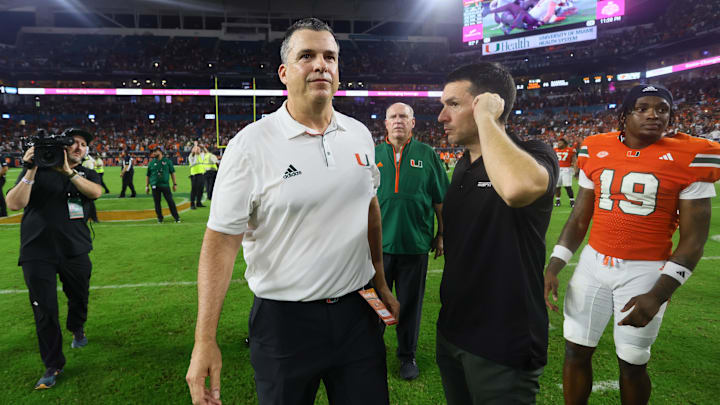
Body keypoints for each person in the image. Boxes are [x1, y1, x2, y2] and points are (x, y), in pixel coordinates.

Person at [185, 18, 400, 405]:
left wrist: (380, 281)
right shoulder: (250, 145)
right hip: (285, 322)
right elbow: (220, 242)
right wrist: (205, 339)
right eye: (307, 56)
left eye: (329, 57)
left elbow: (370, 208)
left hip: (358, 312)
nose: (321, 65)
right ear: (285, 73)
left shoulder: (359, 134)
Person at [544, 84, 720, 405]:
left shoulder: (691, 155)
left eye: (662, 109)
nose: (654, 114)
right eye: (643, 108)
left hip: (646, 271)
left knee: (632, 361)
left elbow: (693, 240)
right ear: (624, 116)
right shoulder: (595, 148)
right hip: (593, 265)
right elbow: (580, 219)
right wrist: (554, 264)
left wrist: (658, 294)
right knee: (575, 350)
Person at [435, 63, 559, 404]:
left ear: (489, 103)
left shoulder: (535, 153)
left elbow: (517, 188)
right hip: (453, 332)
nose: (442, 117)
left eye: (453, 104)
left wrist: (488, 120)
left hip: (502, 341)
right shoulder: (463, 165)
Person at [5, 128, 103, 389]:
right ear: (62, 146)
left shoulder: (85, 173)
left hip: (76, 249)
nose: (80, 147)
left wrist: (68, 172)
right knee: (44, 310)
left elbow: (95, 193)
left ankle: (77, 326)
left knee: (79, 296)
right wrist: (31, 169)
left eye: (84, 144)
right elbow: (14, 204)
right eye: (74, 143)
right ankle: (53, 364)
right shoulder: (36, 170)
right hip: (37, 251)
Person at [375, 102, 449, 380]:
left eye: (403, 116)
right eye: (392, 116)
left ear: (413, 123)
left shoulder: (427, 155)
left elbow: (441, 200)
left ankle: (407, 356)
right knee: (377, 305)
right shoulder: (372, 154)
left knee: (409, 305)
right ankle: (373, 352)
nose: (398, 121)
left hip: (415, 245)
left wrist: (441, 234)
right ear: (385, 123)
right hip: (378, 248)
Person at [145, 147, 180, 223]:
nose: (153, 153)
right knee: (157, 203)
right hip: (154, 185)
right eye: (153, 152)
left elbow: (172, 173)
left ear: (160, 152)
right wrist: (147, 186)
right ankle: (160, 218)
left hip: (165, 185)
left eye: (155, 152)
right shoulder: (151, 163)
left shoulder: (167, 161)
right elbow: (148, 175)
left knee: (170, 201)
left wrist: (174, 184)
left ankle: (176, 217)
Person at [554, 137, 576, 207]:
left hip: (567, 169)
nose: (558, 144)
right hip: (557, 169)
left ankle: (572, 201)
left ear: (564, 144)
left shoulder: (570, 150)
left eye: (560, 143)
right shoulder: (555, 150)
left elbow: (575, 161)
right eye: (558, 143)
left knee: (567, 186)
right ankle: (557, 200)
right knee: (557, 186)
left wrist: (576, 171)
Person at [188, 142, 206, 209]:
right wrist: (195, 145)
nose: (198, 150)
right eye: (196, 149)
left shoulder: (201, 155)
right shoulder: (191, 156)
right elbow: (194, 152)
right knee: (194, 190)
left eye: (199, 149)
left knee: (201, 189)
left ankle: (198, 203)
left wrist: (203, 147)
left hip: (201, 174)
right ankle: (192, 204)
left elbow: (205, 151)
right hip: (194, 175)